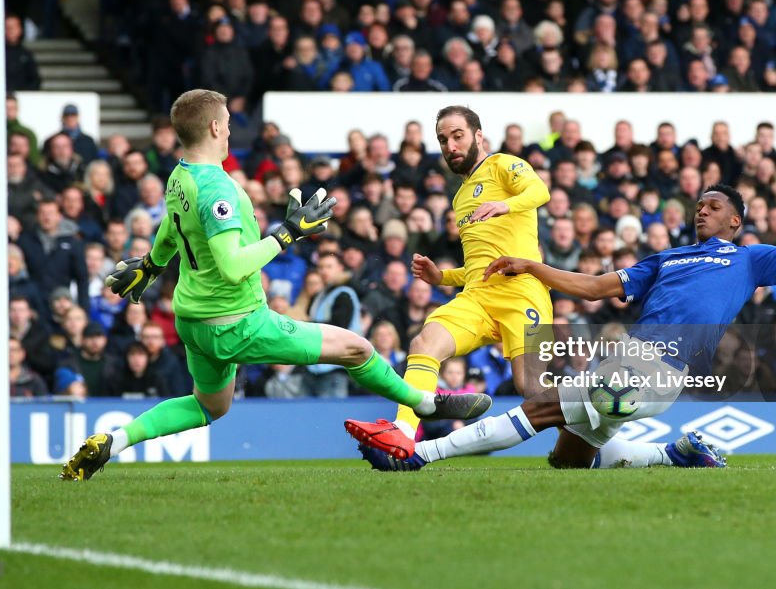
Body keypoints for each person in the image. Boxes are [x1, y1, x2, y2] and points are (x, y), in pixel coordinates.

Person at [356, 142, 776, 470]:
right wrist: (532, 267)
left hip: (660, 369)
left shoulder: (750, 260)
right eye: (698, 206)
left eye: (712, 206)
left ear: (736, 221)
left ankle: (418, 455)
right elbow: (595, 287)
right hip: (624, 367)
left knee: (544, 405)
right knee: (567, 460)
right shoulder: (664, 259)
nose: (702, 212)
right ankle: (674, 455)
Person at [60, 89, 488, 480]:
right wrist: (288, 233)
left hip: (193, 319)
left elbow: (172, 231)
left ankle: (112, 441)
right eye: (226, 120)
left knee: (211, 406)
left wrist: (152, 266)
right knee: (357, 348)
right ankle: (426, 403)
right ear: (213, 127)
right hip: (235, 322)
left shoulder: (179, 176)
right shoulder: (215, 188)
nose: (229, 127)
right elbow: (231, 266)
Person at [345, 105, 552, 458]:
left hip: (524, 291)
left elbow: (540, 191)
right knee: (424, 342)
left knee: (532, 388)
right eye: (443, 139)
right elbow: (478, 266)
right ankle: (403, 434)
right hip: (477, 296)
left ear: (478, 136)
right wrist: (442, 277)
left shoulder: (504, 165)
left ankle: (601, 432)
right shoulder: (460, 198)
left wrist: (507, 205)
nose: (450, 145)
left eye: (457, 135)